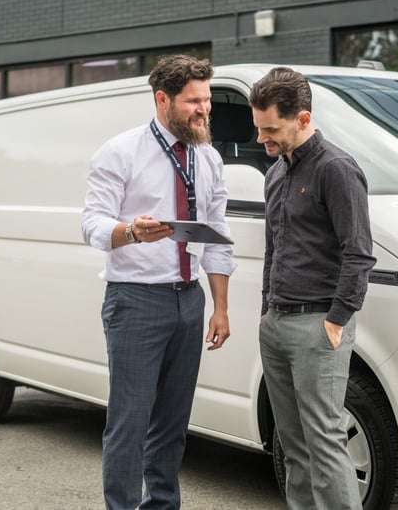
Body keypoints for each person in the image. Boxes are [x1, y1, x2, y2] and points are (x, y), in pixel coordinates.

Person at [81, 54, 236, 510]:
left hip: (189, 303)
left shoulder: (208, 158)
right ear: (162, 99)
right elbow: (90, 224)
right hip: (135, 302)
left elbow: (218, 238)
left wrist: (220, 308)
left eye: (207, 100)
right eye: (193, 101)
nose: (204, 109)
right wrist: (130, 232)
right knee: (129, 422)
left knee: (172, 423)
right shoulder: (120, 151)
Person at [250, 67, 376, 510]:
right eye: (258, 128)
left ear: (303, 119)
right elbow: (273, 248)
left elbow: (359, 252)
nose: (262, 139)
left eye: (271, 129)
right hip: (278, 324)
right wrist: (267, 308)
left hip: (318, 326)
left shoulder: (337, 169)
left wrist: (337, 320)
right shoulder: (274, 174)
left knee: (324, 442)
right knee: (292, 446)